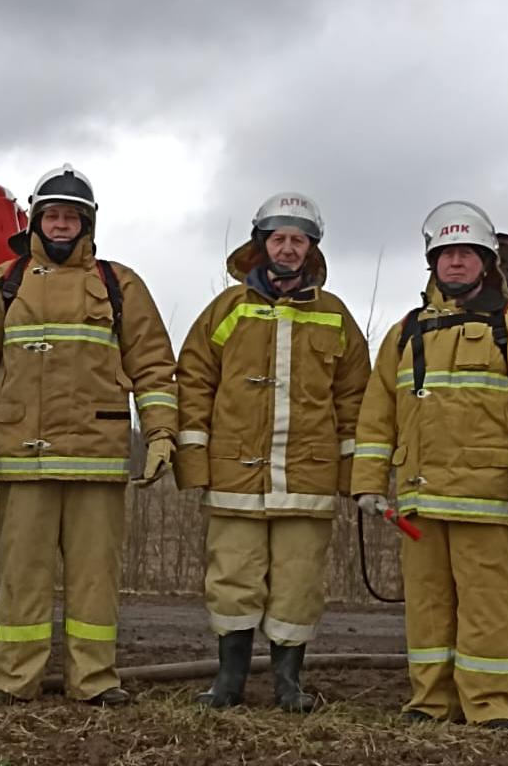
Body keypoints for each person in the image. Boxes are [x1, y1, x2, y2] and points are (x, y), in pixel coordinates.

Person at [0, 164, 177, 706]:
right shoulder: (3, 283)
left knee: (96, 579)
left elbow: (152, 365)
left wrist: (163, 432)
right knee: (23, 577)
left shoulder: (119, 285)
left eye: (71, 216)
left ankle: (94, 680)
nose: (61, 224)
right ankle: (14, 679)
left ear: (87, 223)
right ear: (36, 221)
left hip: (97, 459)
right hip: (20, 459)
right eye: (52, 215)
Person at [351, 200, 508, 731]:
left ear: (488, 262)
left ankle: (492, 706)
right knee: (426, 608)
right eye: (445, 254)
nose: (455, 262)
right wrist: (368, 484)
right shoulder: (405, 332)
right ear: (432, 264)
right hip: (422, 502)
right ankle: (430, 702)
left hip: (490, 503)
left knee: (489, 608)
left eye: (467, 253)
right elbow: (378, 415)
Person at [174, 193, 370, 712]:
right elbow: (192, 381)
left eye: (298, 240)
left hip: (308, 478)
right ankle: (229, 682)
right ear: (261, 245)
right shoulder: (226, 311)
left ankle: (289, 684)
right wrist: (193, 459)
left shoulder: (335, 317)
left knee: (299, 582)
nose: (287, 249)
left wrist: (354, 474)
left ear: (312, 248)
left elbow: (355, 399)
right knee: (232, 578)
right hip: (234, 477)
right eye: (278, 239)